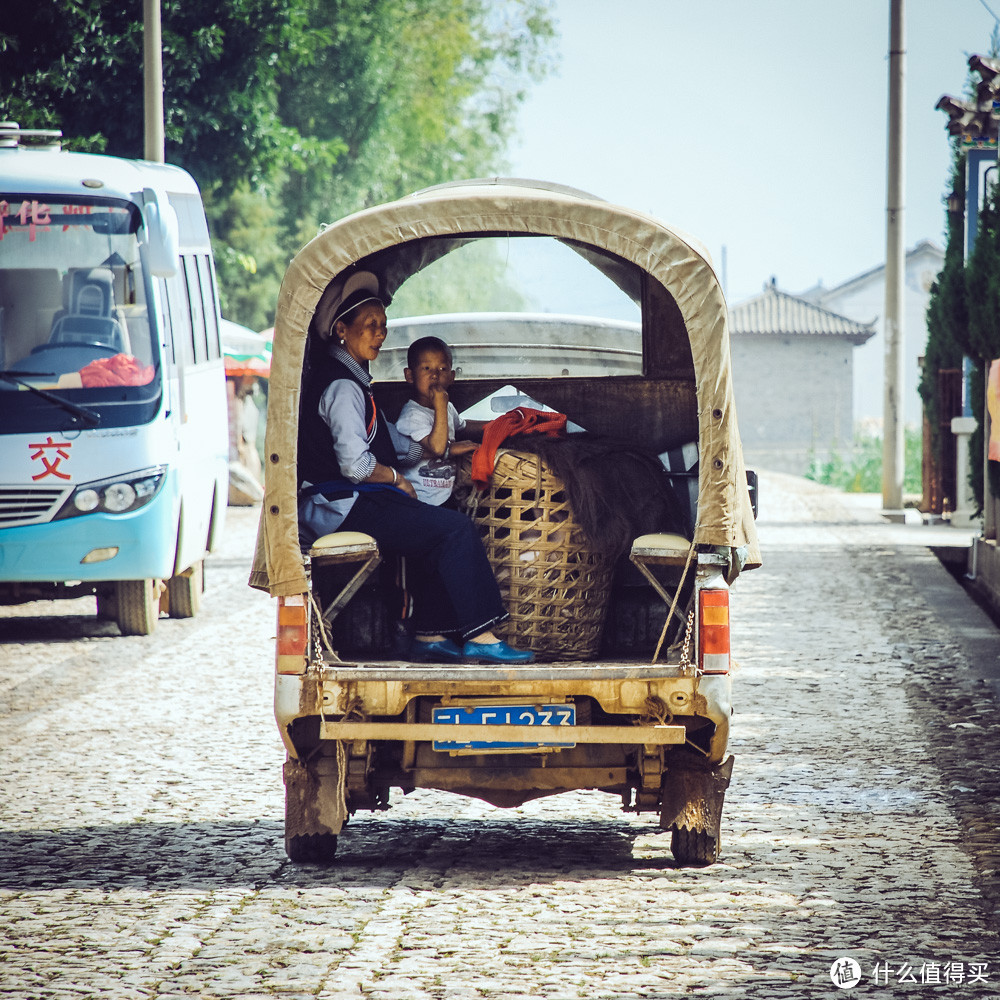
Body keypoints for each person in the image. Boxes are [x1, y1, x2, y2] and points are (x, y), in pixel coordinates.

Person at [296, 270, 533, 665]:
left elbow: (396, 445)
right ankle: (483, 635)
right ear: (342, 328)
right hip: (339, 503)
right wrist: (396, 480)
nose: (379, 334)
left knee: (438, 520)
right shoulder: (341, 387)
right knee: (455, 530)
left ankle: (430, 634)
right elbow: (355, 465)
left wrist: (447, 447)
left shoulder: (357, 382)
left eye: (383, 326)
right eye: (369, 326)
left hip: (354, 498)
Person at [395, 336, 485, 506]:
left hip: (444, 494)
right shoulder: (412, 415)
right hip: (418, 497)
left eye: (442, 369)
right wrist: (441, 406)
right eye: (426, 368)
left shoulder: (448, 407)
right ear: (410, 375)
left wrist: (497, 424)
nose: (435, 375)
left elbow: (463, 426)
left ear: (452, 376)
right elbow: (437, 447)